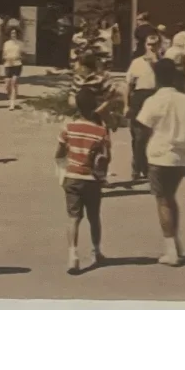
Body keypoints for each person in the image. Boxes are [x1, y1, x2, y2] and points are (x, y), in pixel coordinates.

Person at [136, 58, 185, 266]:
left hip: (158, 155)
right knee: (170, 198)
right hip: (180, 157)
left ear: (156, 77)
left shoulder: (154, 101)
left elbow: (141, 130)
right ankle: (175, 243)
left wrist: (138, 158)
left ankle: (171, 250)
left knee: (163, 201)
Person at [54, 86, 110, 275]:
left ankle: (73, 255)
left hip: (72, 177)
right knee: (94, 217)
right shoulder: (101, 131)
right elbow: (106, 157)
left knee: (73, 218)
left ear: (77, 106)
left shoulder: (69, 127)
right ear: (95, 107)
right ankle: (96, 251)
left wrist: (65, 163)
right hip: (92, 179)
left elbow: (59, 153)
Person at [124, 30, 161, 182]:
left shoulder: (163, 63)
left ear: (159, 46)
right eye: (149, 44)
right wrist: (126, 105)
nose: (151, 47)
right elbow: (128, 85)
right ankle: (137, 167)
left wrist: (155, 64)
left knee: (152, 136)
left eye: (155, 45)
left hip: (155, 98)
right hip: (139, 99)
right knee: (138, 137)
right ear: (145, 45)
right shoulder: (136, 63)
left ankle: (146, 167)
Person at [1, 27, 24, 111]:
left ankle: (12, 103)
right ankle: (10, 96)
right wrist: (7, 58)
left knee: (14, 82)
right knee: (7, 85)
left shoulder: (20, 44)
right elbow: (3, 55)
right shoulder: (6, 43)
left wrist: (19, 57)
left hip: (17, 64)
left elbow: (23, 55)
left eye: (14, 33)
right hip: (8, 64)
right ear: (9, 34)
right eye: (12, 33)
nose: (13, 35)